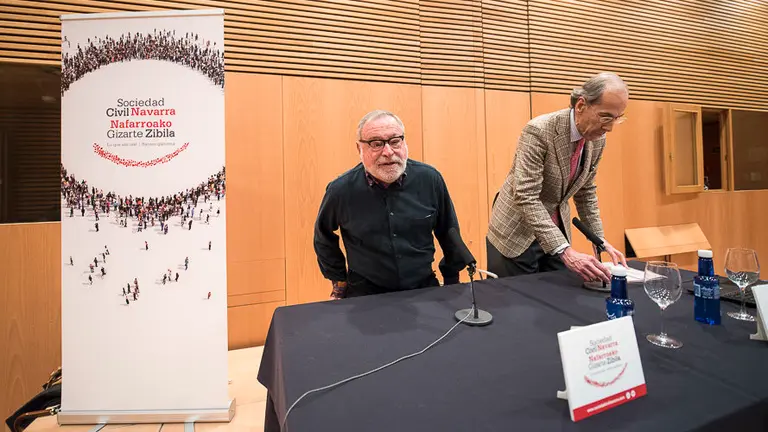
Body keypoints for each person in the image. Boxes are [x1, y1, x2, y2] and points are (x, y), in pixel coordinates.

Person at [487, 72, 628, 283]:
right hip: (516, 233)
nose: (609, 128)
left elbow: (585, 191)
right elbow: (526, 196)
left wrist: (599, 240)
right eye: (605, 117)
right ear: (581, 105)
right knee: (517, 299)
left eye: (617, 118)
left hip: (555, 230)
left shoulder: (597, 139)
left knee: (559, 296)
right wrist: (565, 250)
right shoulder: (539, 131)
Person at [314, 110, 466, 299]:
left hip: (423, 289)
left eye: (395, 141)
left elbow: (449, 232)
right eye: (376, 144)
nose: (388, 152)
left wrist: (451, 280)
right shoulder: (340, 190)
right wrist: (338, 280)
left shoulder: (430, 180)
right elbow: (323, 237)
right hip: (365, 294)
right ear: (359, 149)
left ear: (404, 142)